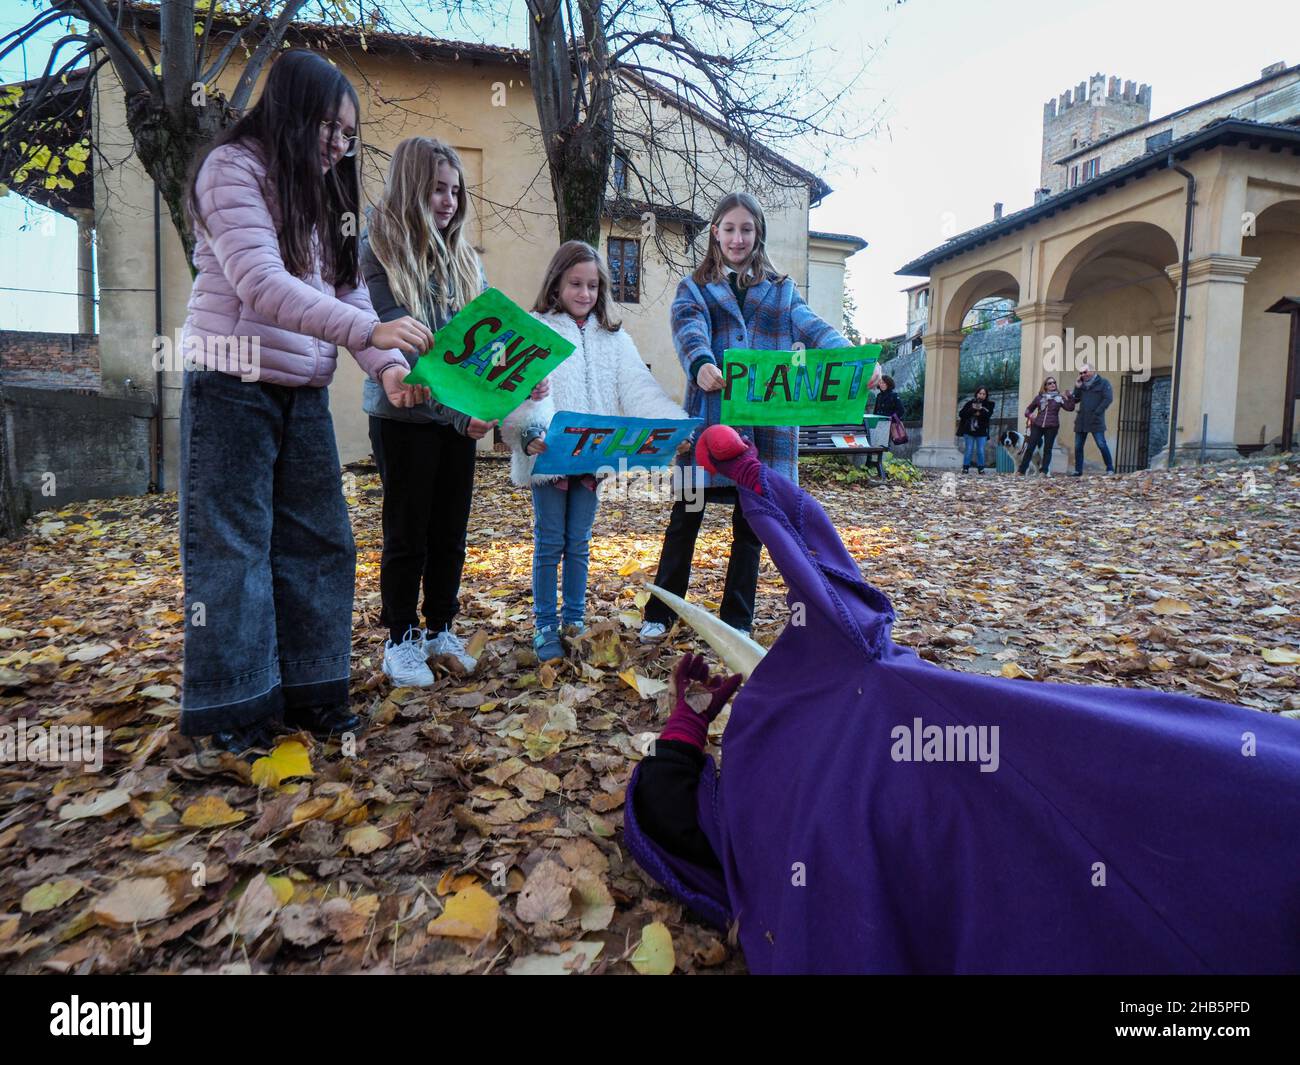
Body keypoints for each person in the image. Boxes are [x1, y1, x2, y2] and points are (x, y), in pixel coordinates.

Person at [624, 423, 1300, 974]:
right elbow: (841, 612)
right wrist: (760, 492)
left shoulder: (770, 811)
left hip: (914, 752)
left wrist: (694, 716)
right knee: (1146, 785)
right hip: (908, 770)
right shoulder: (773, 807)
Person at [178, 50, 434, 754]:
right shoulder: (231, 170)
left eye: (349, 135)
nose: (338, 144)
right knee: (234, 552)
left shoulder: (329, 194)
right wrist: (368, 330)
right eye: (329, 126)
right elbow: (259, 283)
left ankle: (314, 692)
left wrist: (385, 367)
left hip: (304, 395)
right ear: (289, 110)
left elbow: (349, 292)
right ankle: (236, 708)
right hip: (231, 386)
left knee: (322, 544)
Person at [641, 191, 877, 642]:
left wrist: (856, 362)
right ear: (715, 232)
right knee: (685, 518)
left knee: (751, 527)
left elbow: (816, 328)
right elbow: (688, 327)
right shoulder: (694, 287)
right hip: (711, 425)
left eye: (746, 229)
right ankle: (662, 610)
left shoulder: (782, 291)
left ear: (758, 234)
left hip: (765, 434)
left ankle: (737, 620)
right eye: (729, 228)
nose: (737, 238)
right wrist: (701, 362)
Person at [360, 136, 548, 687]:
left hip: (460, 419)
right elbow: (400, 341)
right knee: (407, 531)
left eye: (454, 190)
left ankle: (440, 626)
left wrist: (521, 381)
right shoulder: (379, 250)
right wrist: (458, 410)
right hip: (405, 413)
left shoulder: (465, 259)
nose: (447, 201)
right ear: (410, 188)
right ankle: (400, 639)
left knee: (450, 530)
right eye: (436, 189)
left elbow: (488, 338)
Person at [501, 241, 687, 663]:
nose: (584, 293)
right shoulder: (536, 329)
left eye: (592, 285)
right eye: (575, 284)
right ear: (556, 283)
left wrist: (671, 424)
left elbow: (637, 388)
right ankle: (545, 624)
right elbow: (518, 390)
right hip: (548, 455)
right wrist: (528, 429)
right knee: (550, 542)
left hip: (591, 457)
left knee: (580, 542)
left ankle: (574, 620)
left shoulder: (614, 339)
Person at [1018, 375, 1075, 475]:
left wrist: (1069, 396)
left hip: (1052, 426)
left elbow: (1070, 408)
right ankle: (1021, 471)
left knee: (1047, 449)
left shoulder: (1059, 398)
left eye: (1054, 383)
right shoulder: (1039, 398)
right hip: (1037, 425)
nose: (1053, 384)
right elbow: (1027, 410)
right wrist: (1031, 415)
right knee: (1030, 447)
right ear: (1045, 386)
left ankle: (1044, 471)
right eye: (1050, 383)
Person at [1071, 362, 1116, 475]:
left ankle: (1110, 468)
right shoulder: (1081, 384)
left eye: (1085, 372)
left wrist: (1097, 413)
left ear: (1092, 371)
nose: (1082, 375)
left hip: (1096, 420)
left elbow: (1108, 399)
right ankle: (1078, 470)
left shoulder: (1103, 383)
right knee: (1078, 446)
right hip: (1081, 420)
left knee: (1101, 444)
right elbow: (1075, 400)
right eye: (1080, 373)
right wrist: (1077, 387)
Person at [957, 386, 994, 473]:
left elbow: (988, 416)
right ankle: (965, 468)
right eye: (980, 393)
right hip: (969, 431)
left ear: (986, 395)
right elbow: (961, 414)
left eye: (984, 394)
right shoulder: (970, 403)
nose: (981, 395)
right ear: (977, 394)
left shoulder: (989, 404)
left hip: (981, 432)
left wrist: (981, 410)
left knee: (980, 450)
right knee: (969, 449)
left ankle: (981, 468)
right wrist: (972, 409)